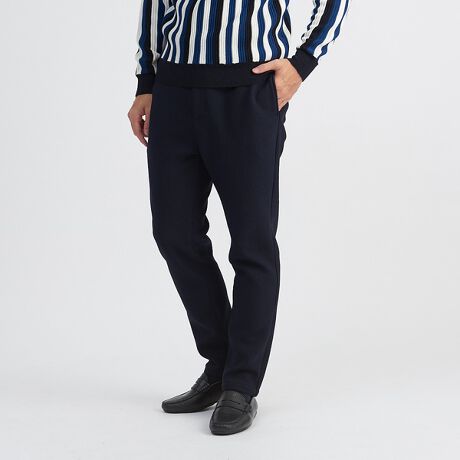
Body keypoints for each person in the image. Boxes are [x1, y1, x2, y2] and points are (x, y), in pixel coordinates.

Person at [127, 0, 350, 436]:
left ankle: (241, 384)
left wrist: (303, 62)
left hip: (248, 90)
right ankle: (222, 363)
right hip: (174, 88)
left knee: (252, 242)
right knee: (174, 232)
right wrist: (146, 81)